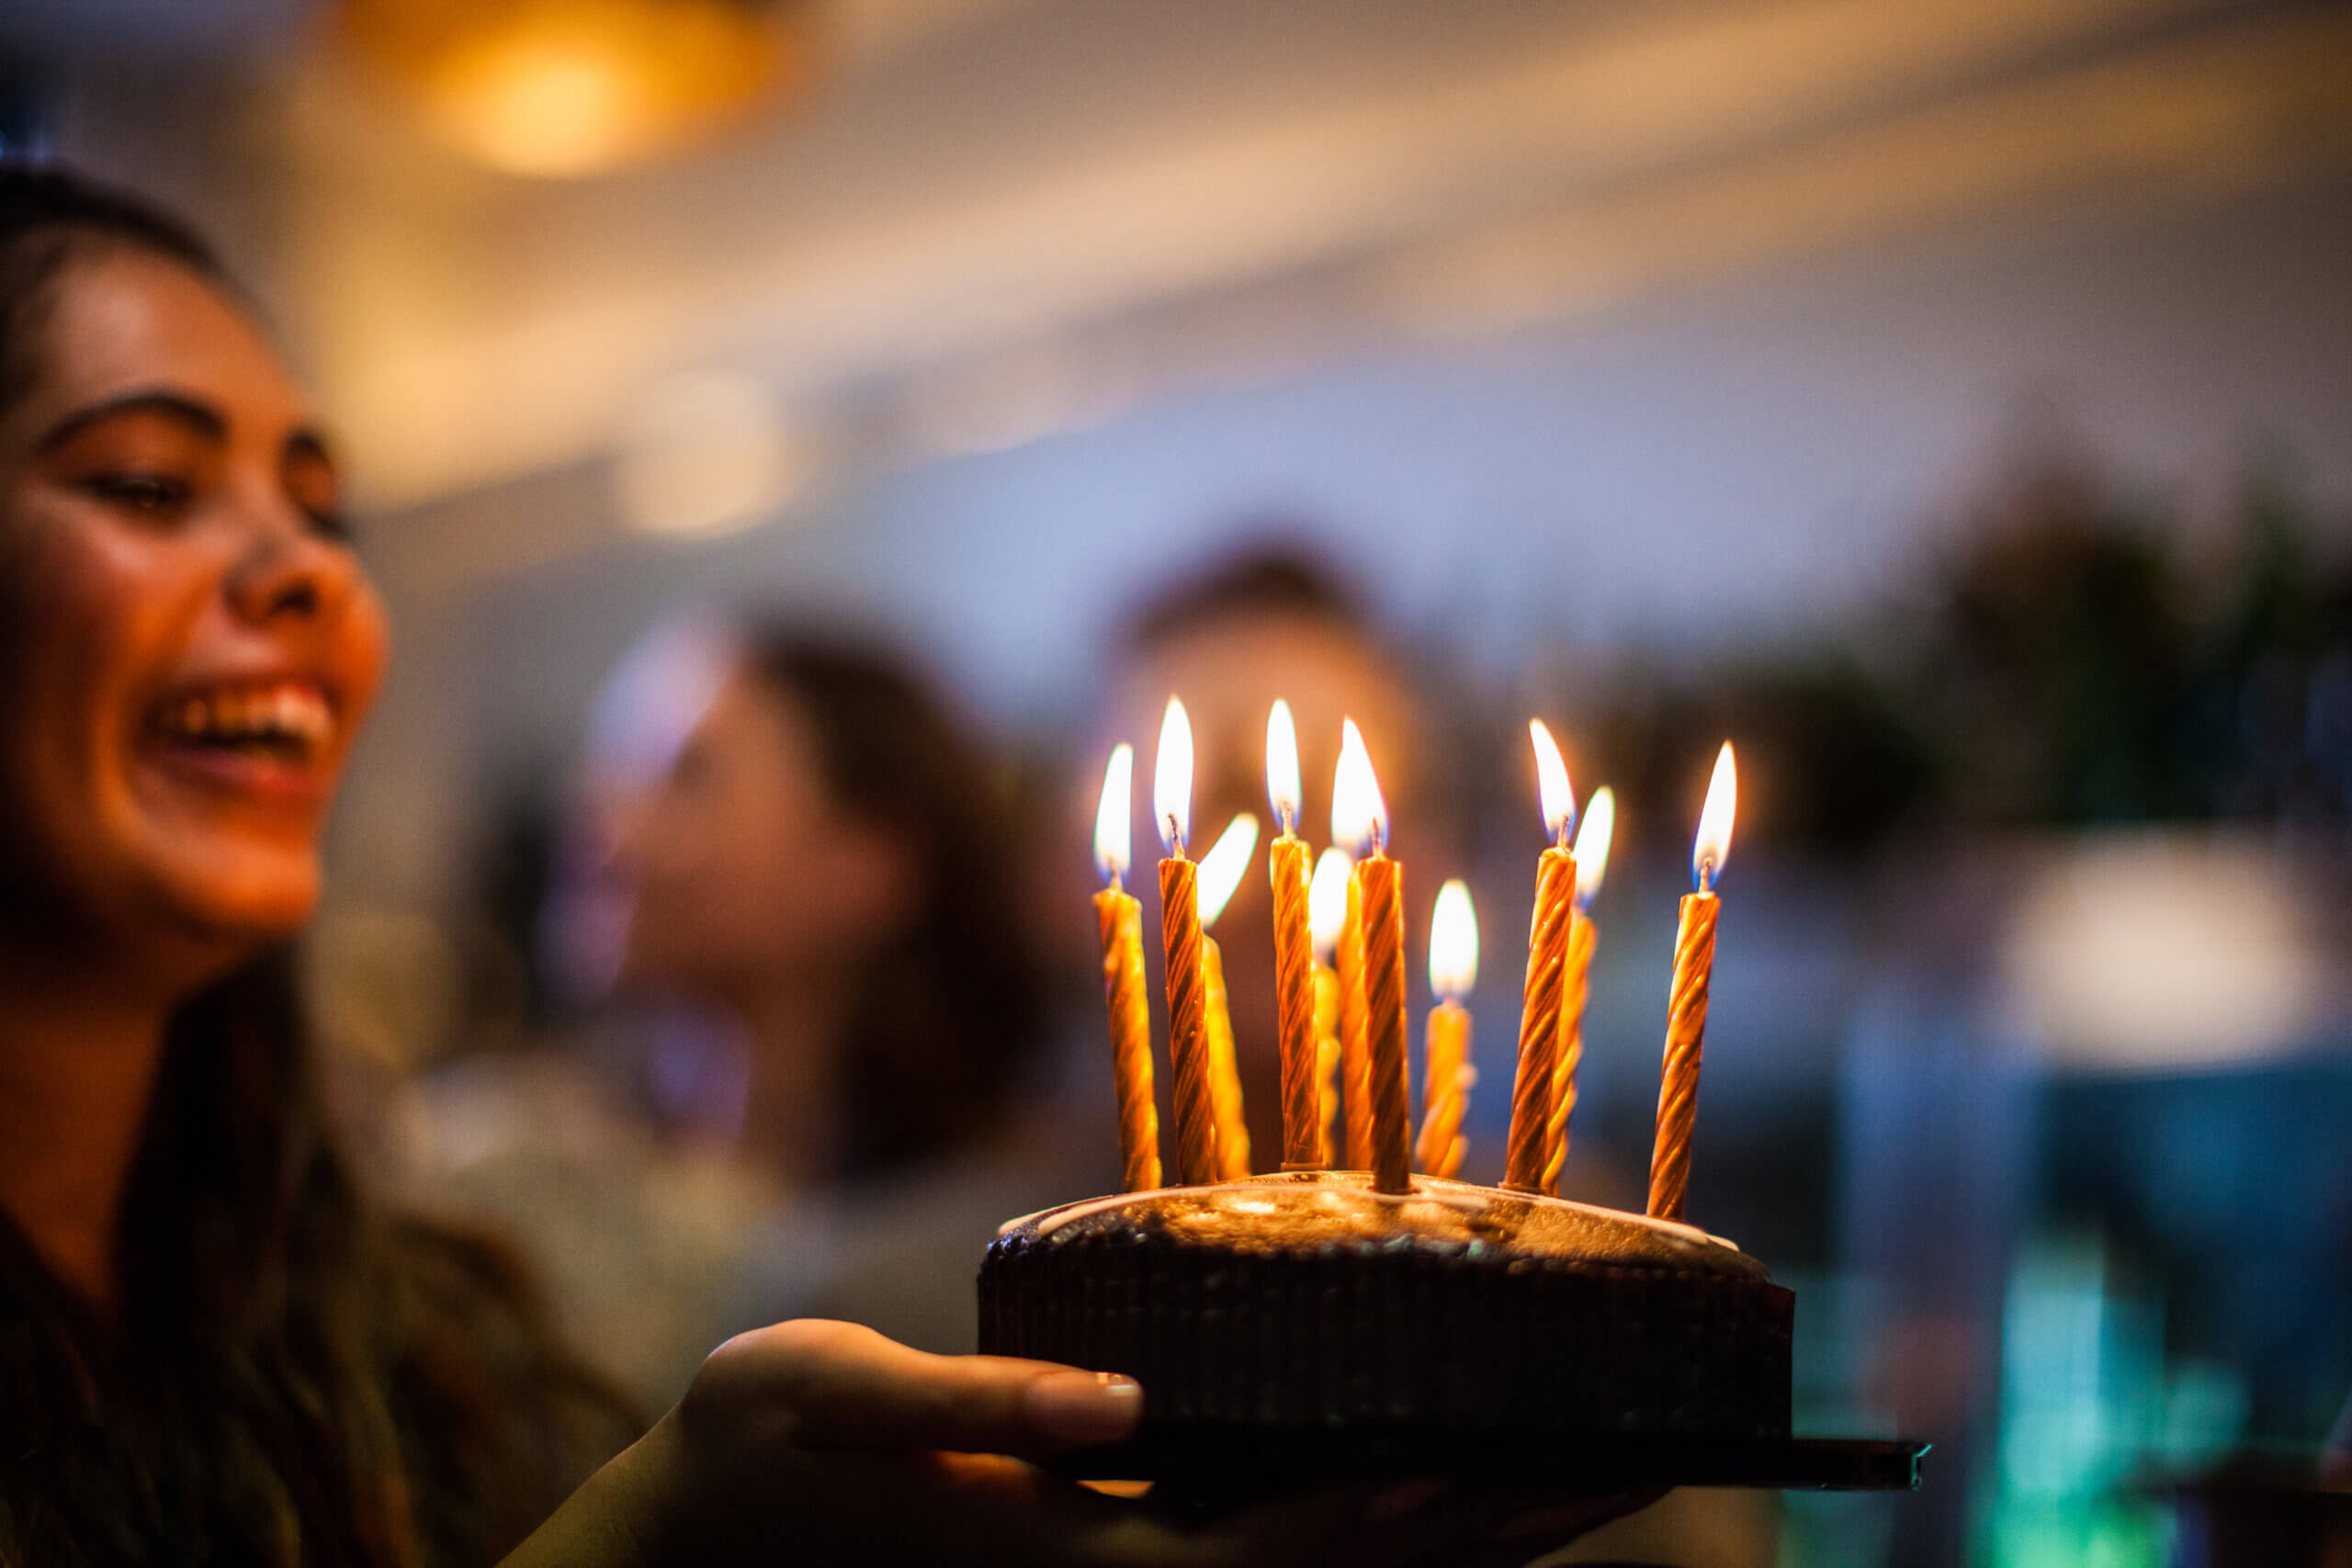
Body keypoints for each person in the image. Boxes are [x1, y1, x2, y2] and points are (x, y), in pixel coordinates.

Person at [0, 163, 1645, 1566]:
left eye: (321, 511)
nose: (306, 574)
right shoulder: (854, 1280)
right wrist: (669, 1528)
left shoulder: (400, 1321)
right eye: (150, 480)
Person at [407, 620, 1108, 1404]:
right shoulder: (484, 1176)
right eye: (612, 769)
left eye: (683, 775)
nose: (600, 816)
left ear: (869, 862)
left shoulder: (1002, 1241)